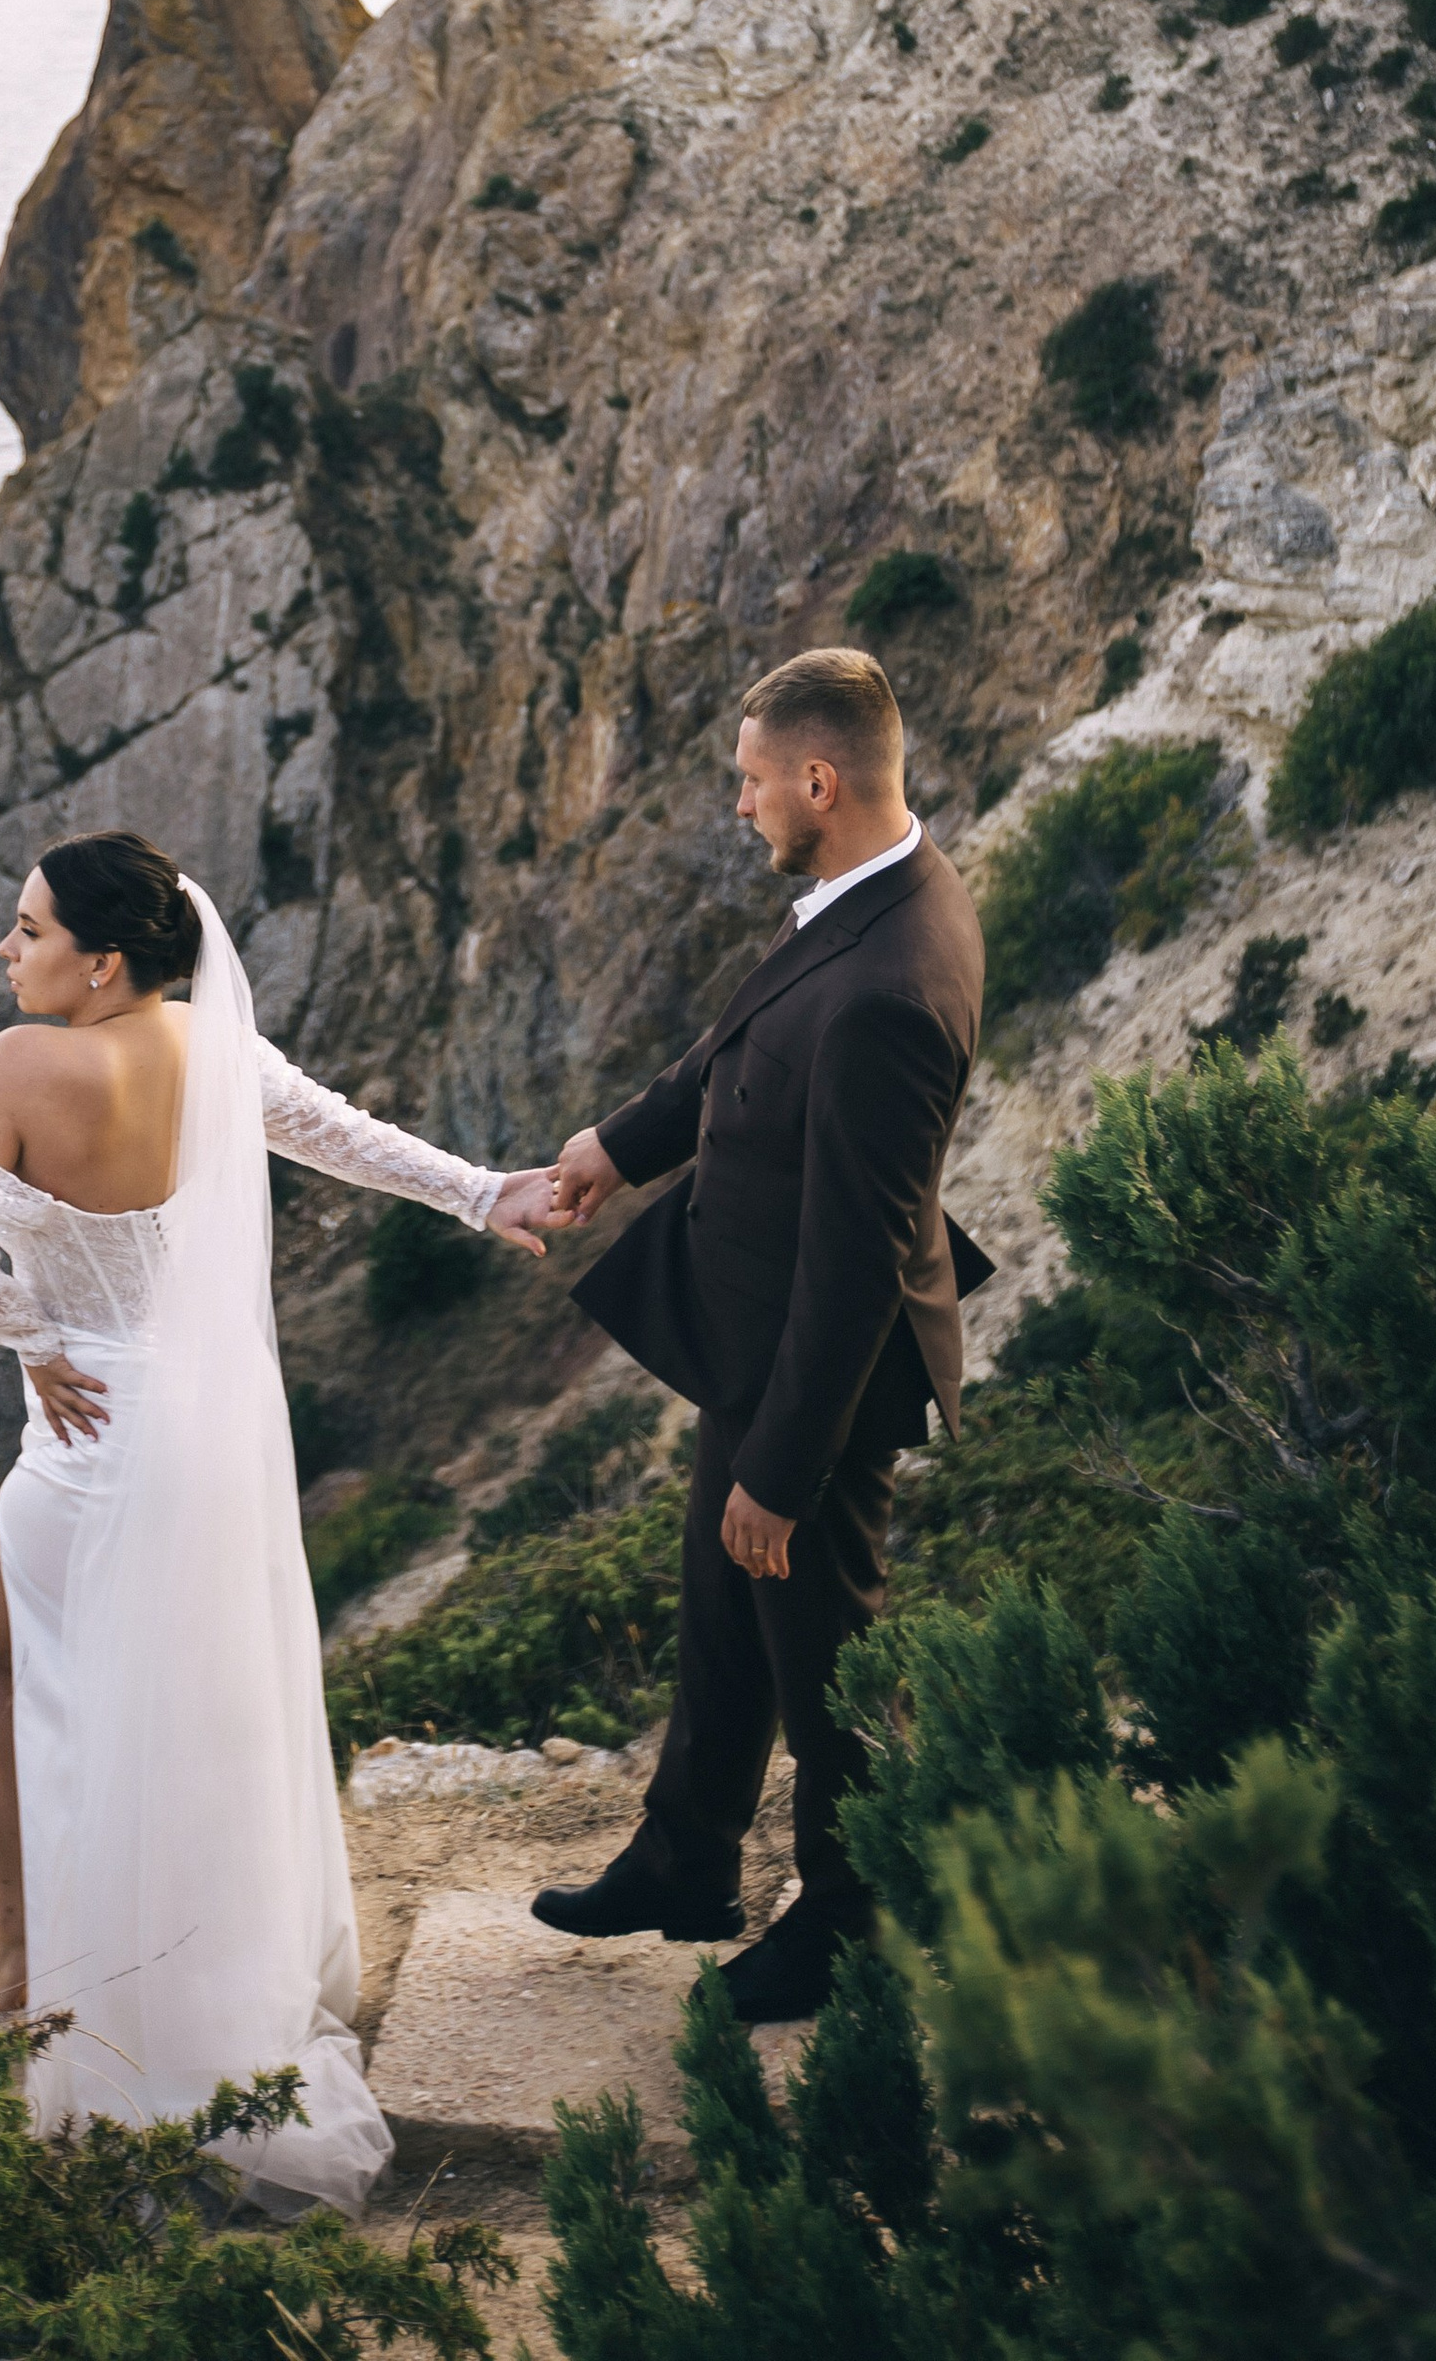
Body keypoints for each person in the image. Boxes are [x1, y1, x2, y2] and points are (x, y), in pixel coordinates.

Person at [0, 828, 560, 2212]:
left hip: (93, 1424)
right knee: (191, 1707)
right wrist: (481, 1192)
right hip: (210, 1425)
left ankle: (29, 1970)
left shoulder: (21, 1067)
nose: (7, 950)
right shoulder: (207, 1047)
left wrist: (34, 1338)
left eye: (30, 930)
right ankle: (191, 1984)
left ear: (102, 963)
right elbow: (335, 1133)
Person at [536, 646, 990, 2024]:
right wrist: (619, 1144)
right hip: (756, 1342)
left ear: (819, 780)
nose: (740, 805)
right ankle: (687, 1858)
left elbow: (857, 1266)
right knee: (724, 1612)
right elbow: (744, 1046)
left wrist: (782, 1471)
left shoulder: (893, 988)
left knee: (827, 1655)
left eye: (751, 782)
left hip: (821, 1375)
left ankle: (852, 1920)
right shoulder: (865, 891)